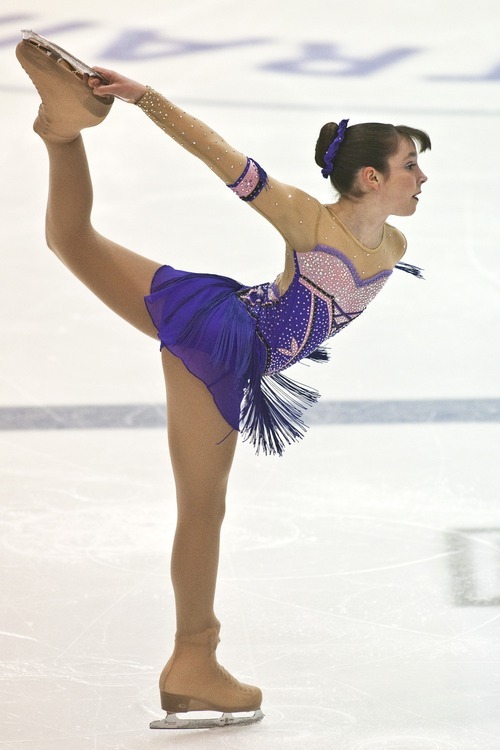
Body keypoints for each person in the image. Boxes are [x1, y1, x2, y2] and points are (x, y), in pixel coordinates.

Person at [15, 31, 430, 731]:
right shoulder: (308, 220)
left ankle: (61, 131)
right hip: (223, 342)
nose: (421, 177)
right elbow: (222, 158)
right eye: (410, 166)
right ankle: (192, 659)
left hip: (232, 328)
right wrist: (148, 98)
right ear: (371, 178)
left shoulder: (394, 246)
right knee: (203, 509)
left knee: (73, 242)